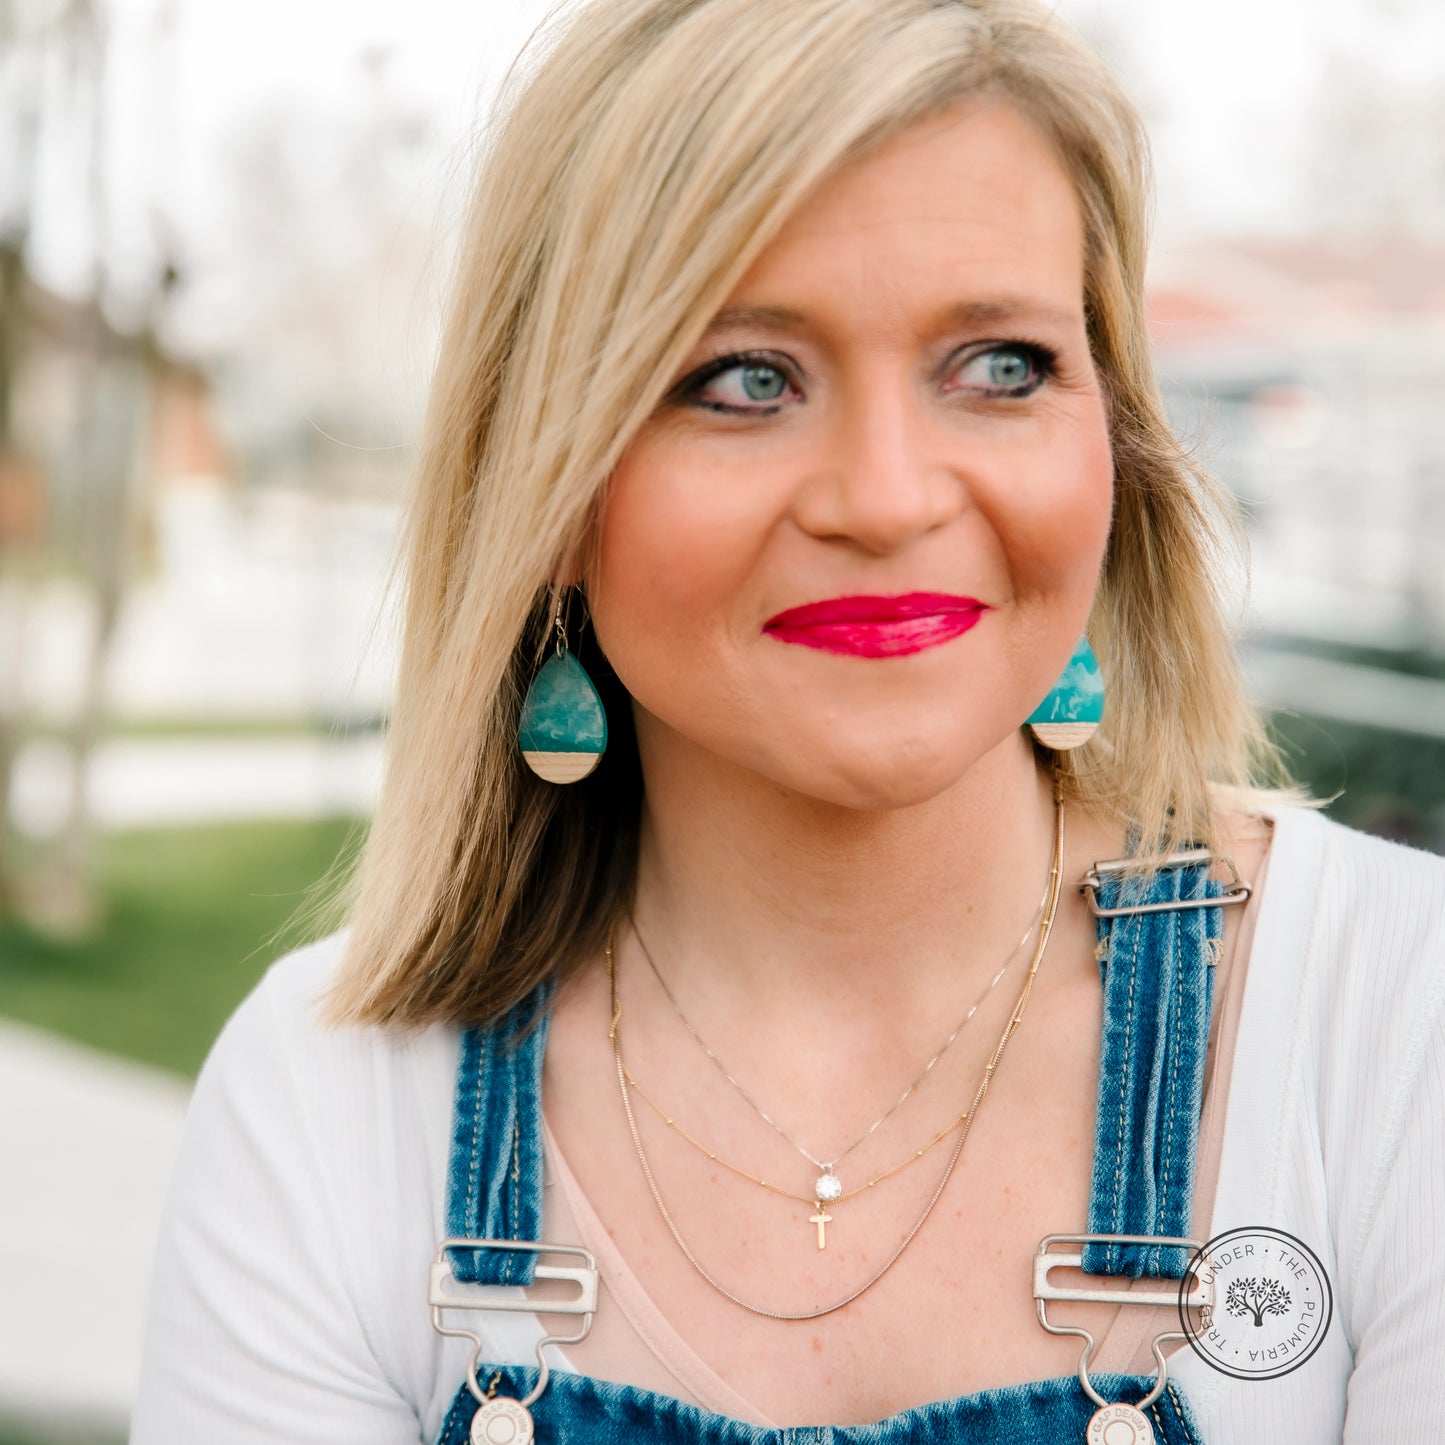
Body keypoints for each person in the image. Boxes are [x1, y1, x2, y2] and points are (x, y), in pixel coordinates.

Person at [131, 0, 1445, 1440]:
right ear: (549, 489)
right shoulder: (329, 1107)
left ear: (1111, 437)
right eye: (742, 380)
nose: (884, 496)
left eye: (999, 365)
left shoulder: (1391, 1019)